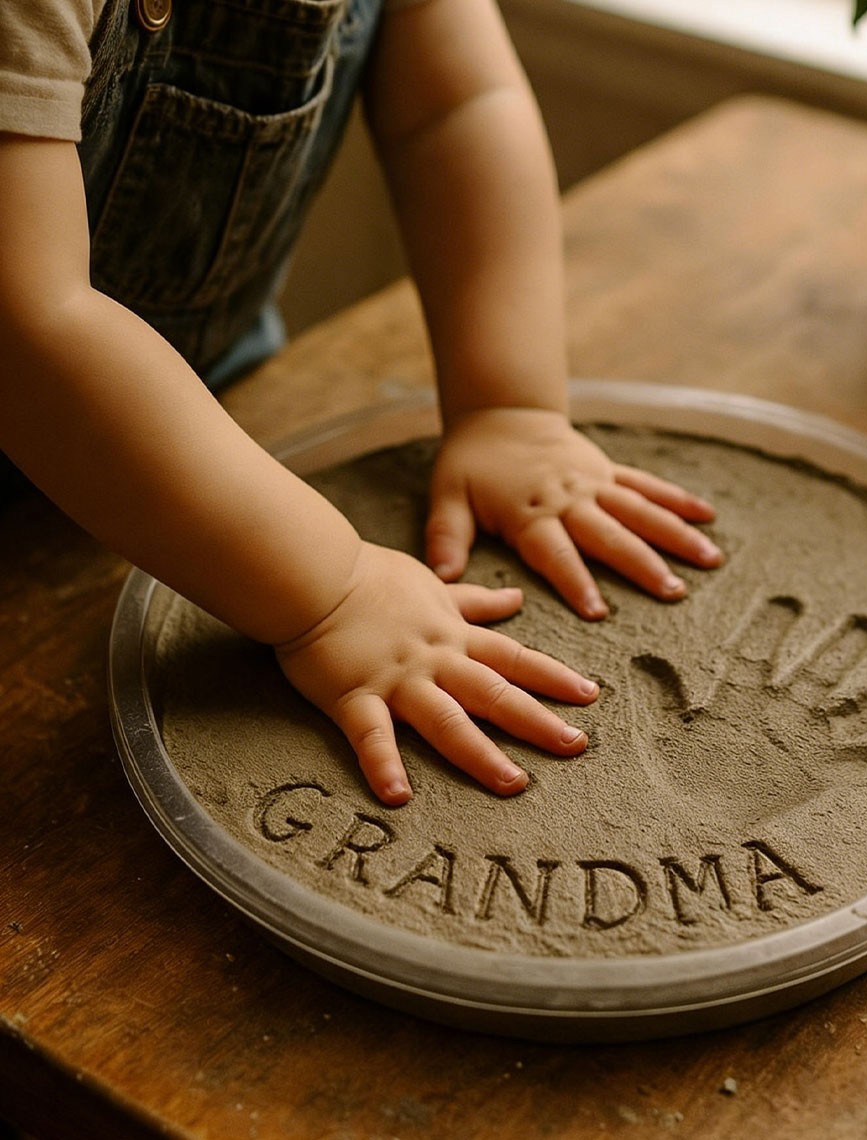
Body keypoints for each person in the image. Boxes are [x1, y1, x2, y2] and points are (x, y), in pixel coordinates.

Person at [0, 0, 723, 806]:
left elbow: (459, 108)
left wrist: (509, 409)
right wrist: (333, 594)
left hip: (204, 411)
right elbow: (28, 323)